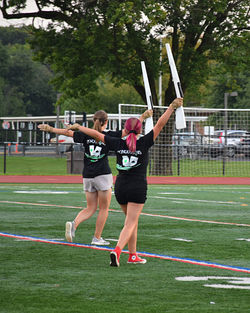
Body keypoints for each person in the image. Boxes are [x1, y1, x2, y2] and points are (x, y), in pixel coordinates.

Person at [68, 98, 183, 266]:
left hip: (121, 187)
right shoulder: (144, 142)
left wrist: (79, 127)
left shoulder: (118, 142)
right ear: (139, 129)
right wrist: (171, 107)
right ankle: (117, 251)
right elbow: (160, 124)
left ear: (126, 129)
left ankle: (133, 255)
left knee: (131, 221)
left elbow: (96, 134)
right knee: (130, 223)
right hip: (137, 187)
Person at [38, 109, 152, 246]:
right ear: (106, 122)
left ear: (94, 121)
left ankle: (74, 224)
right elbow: (130, 130)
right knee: (104, 208)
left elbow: (67, 133)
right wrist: (143, 117)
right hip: (102, 174)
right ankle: (97, 237)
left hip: (87, 175)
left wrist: (50, 129)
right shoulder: (108, 135)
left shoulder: (85, 135)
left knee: (90, 207)